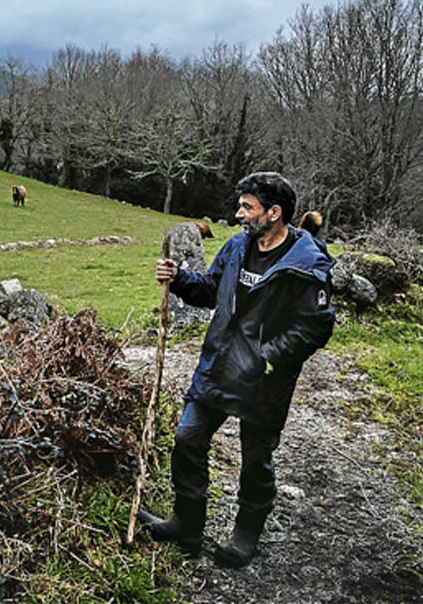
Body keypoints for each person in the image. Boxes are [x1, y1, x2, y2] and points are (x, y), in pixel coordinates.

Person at [139, 172, 335, 567]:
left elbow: (316, 327)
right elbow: (213, 290)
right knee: (188, 439)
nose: (238, 214)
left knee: (255, 461)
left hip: (264, 380)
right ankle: (186, 525)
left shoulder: (307, 264)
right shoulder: (235, 246)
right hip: (219, 366)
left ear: (274, 213)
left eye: (248, 207)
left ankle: (245, 536)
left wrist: (268, 356)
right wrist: (179, 280)